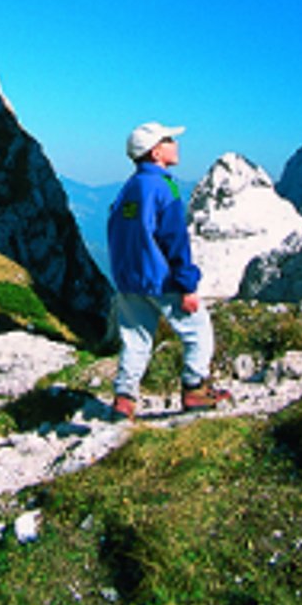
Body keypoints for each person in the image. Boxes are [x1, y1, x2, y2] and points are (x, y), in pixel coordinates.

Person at [104, 121, 231, 420]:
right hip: (161, 280)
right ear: (156, 151)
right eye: (170, 139)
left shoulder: (129, 187)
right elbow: (174, 239)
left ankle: (124, 400)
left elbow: (115, 230)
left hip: (127, 280)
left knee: (135, 340)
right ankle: (194, 389)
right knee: (198, 331)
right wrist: (187, 284)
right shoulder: (165, 186)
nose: (176, 144)